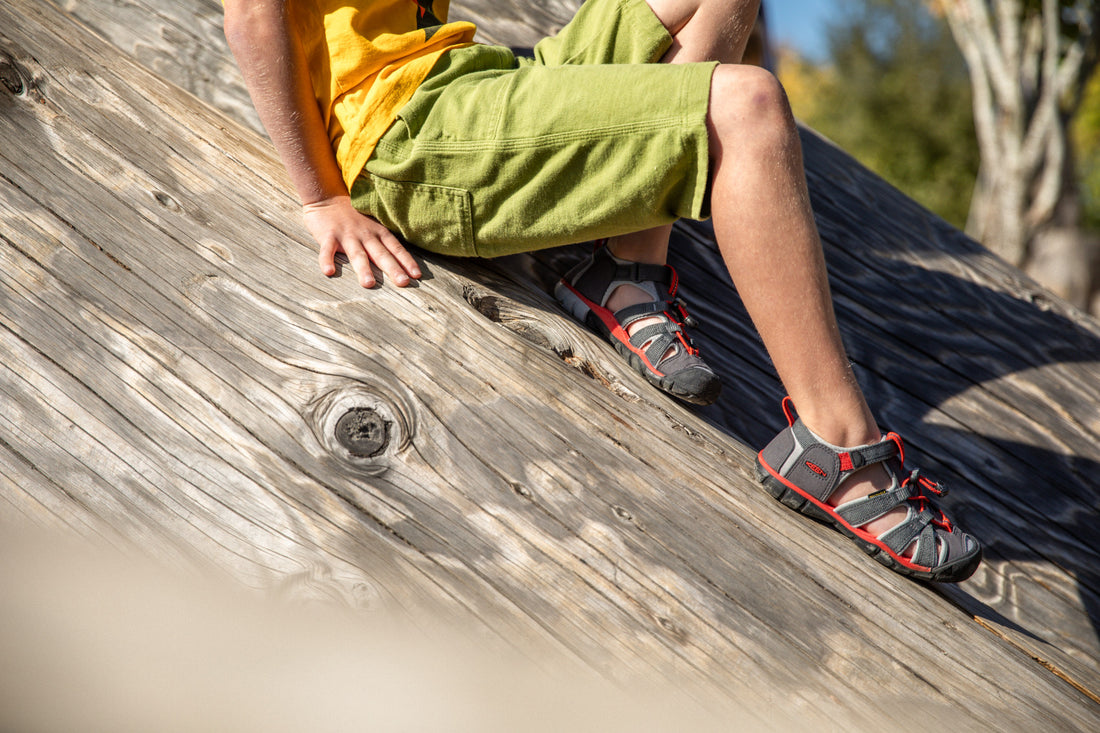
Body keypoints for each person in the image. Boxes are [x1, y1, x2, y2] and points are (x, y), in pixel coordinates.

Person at [222, 0, 982, 582]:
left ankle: (622, 269)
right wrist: (321, 197)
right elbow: (251, 12)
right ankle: (837, 446)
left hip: (468, 81)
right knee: (745, 107)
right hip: (413, 140)